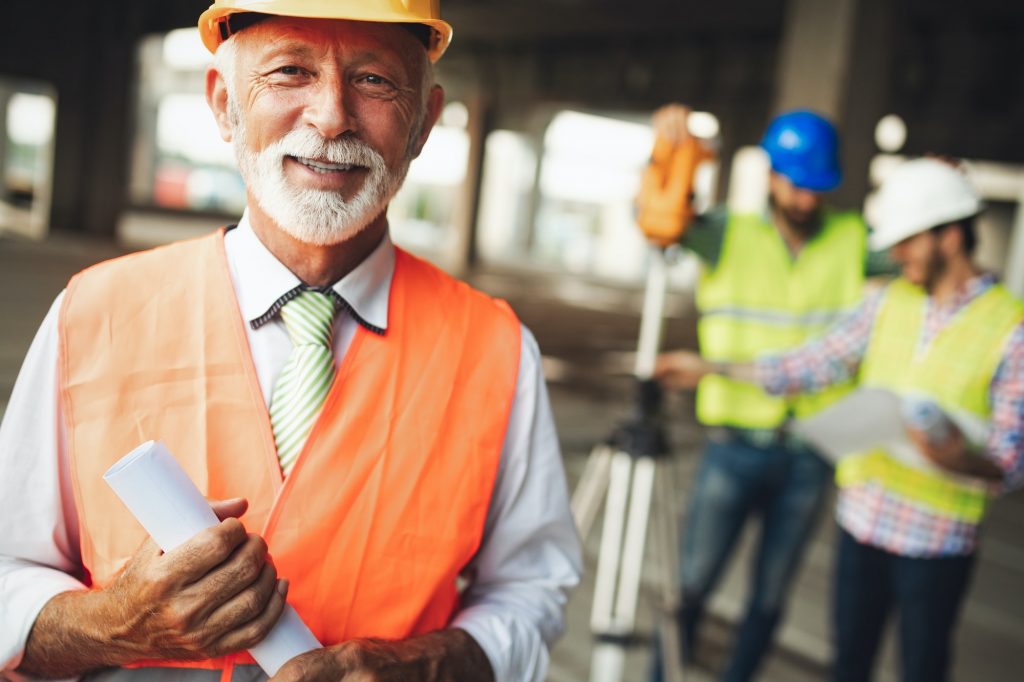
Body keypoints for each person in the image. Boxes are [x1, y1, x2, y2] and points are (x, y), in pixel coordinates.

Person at [0, 1, 581, 680]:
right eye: (289, 72)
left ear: (423, 122)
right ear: (223, 104)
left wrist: (422, 666)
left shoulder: (496, 350)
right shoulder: (92, 313)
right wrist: (111, 627)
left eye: (374, 81)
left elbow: (531, 591)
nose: (331, 116)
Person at [657, 157, 1024, 682]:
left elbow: (1010, 463)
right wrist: (712, 368)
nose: (895, 254)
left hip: (937, 540)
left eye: (908, 241)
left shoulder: (1011, 328)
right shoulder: (887, 304)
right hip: (863, 522)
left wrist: (957, 457)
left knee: (922, 669)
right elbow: (812, 363)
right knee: (846, 667)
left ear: (949, 235)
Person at [649, 105, 872, 682]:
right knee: (692, 585)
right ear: (771, 175)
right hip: (733, 449)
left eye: (816, 187)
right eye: (795, 184)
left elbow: (923, 254)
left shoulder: (854, 238)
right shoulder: (727, 232)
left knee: (770, 598)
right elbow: (661, 220)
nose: (805, 198)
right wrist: (669, 154)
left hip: (809, 451)